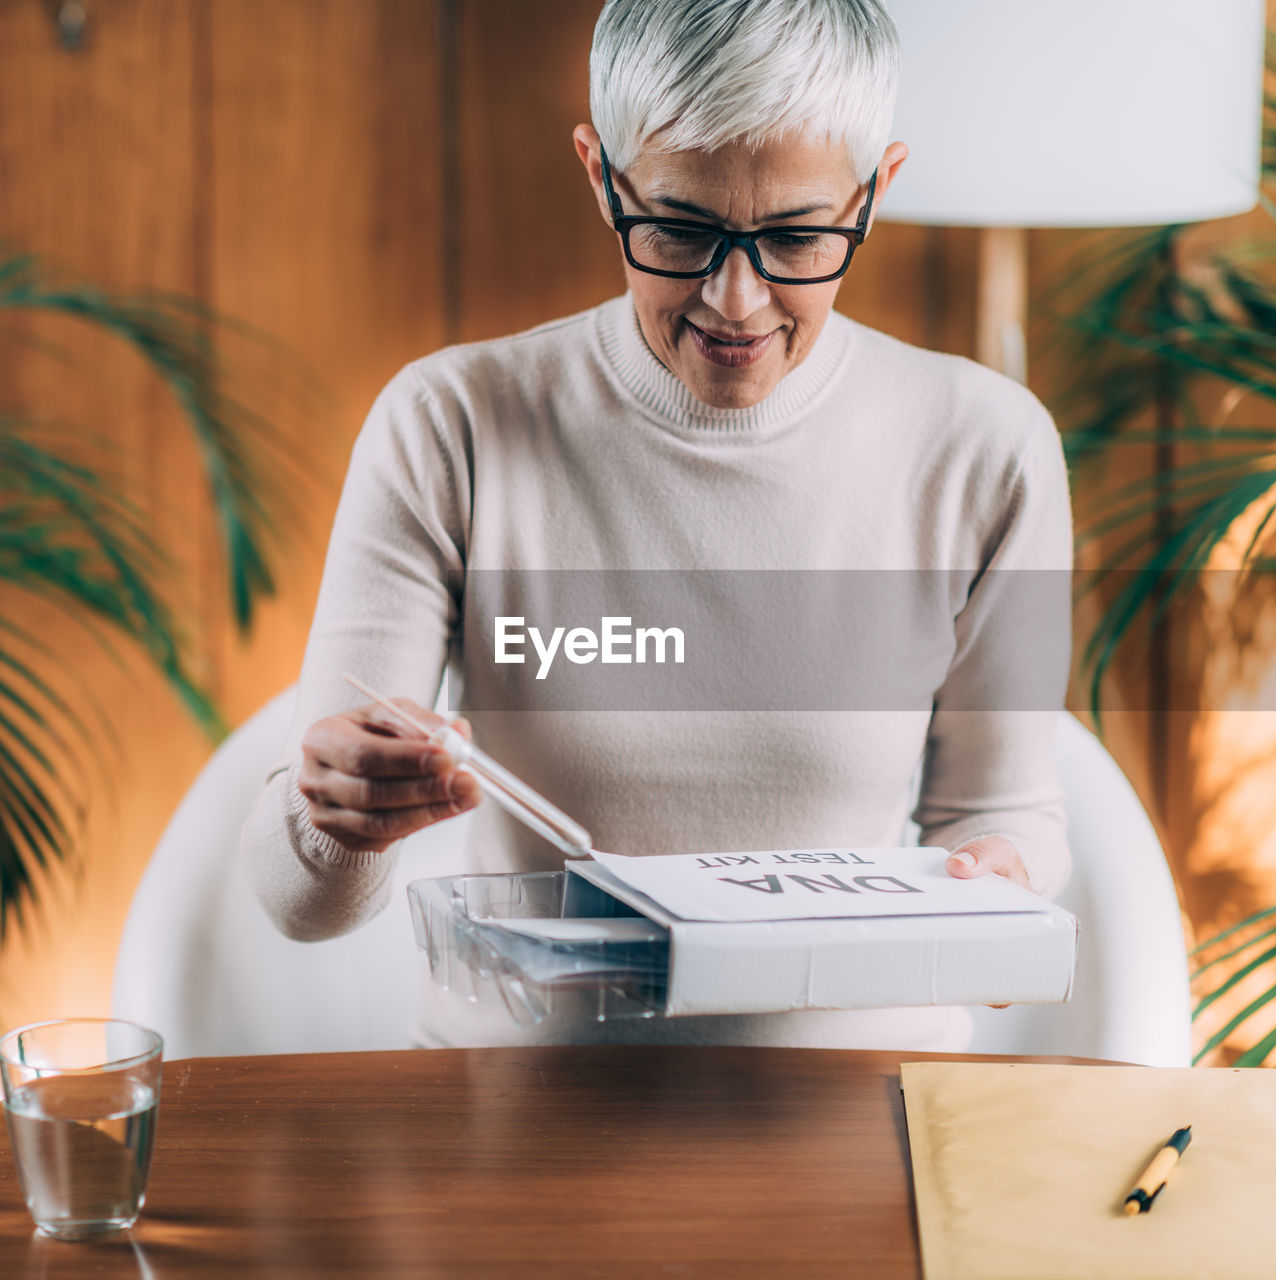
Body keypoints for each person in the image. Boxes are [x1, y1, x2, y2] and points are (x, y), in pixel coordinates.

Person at [242, 0, 1073, 1051]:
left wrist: (995, 886)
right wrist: (331, 816)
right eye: (678, 229)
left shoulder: (984, 446)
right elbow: (300, 906)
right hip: (524, 1114)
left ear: (875, 194)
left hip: (859, 1102)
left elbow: (1002, 817)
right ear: (601, 177)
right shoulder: (451, 423)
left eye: (797, 236)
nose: (736, 300)